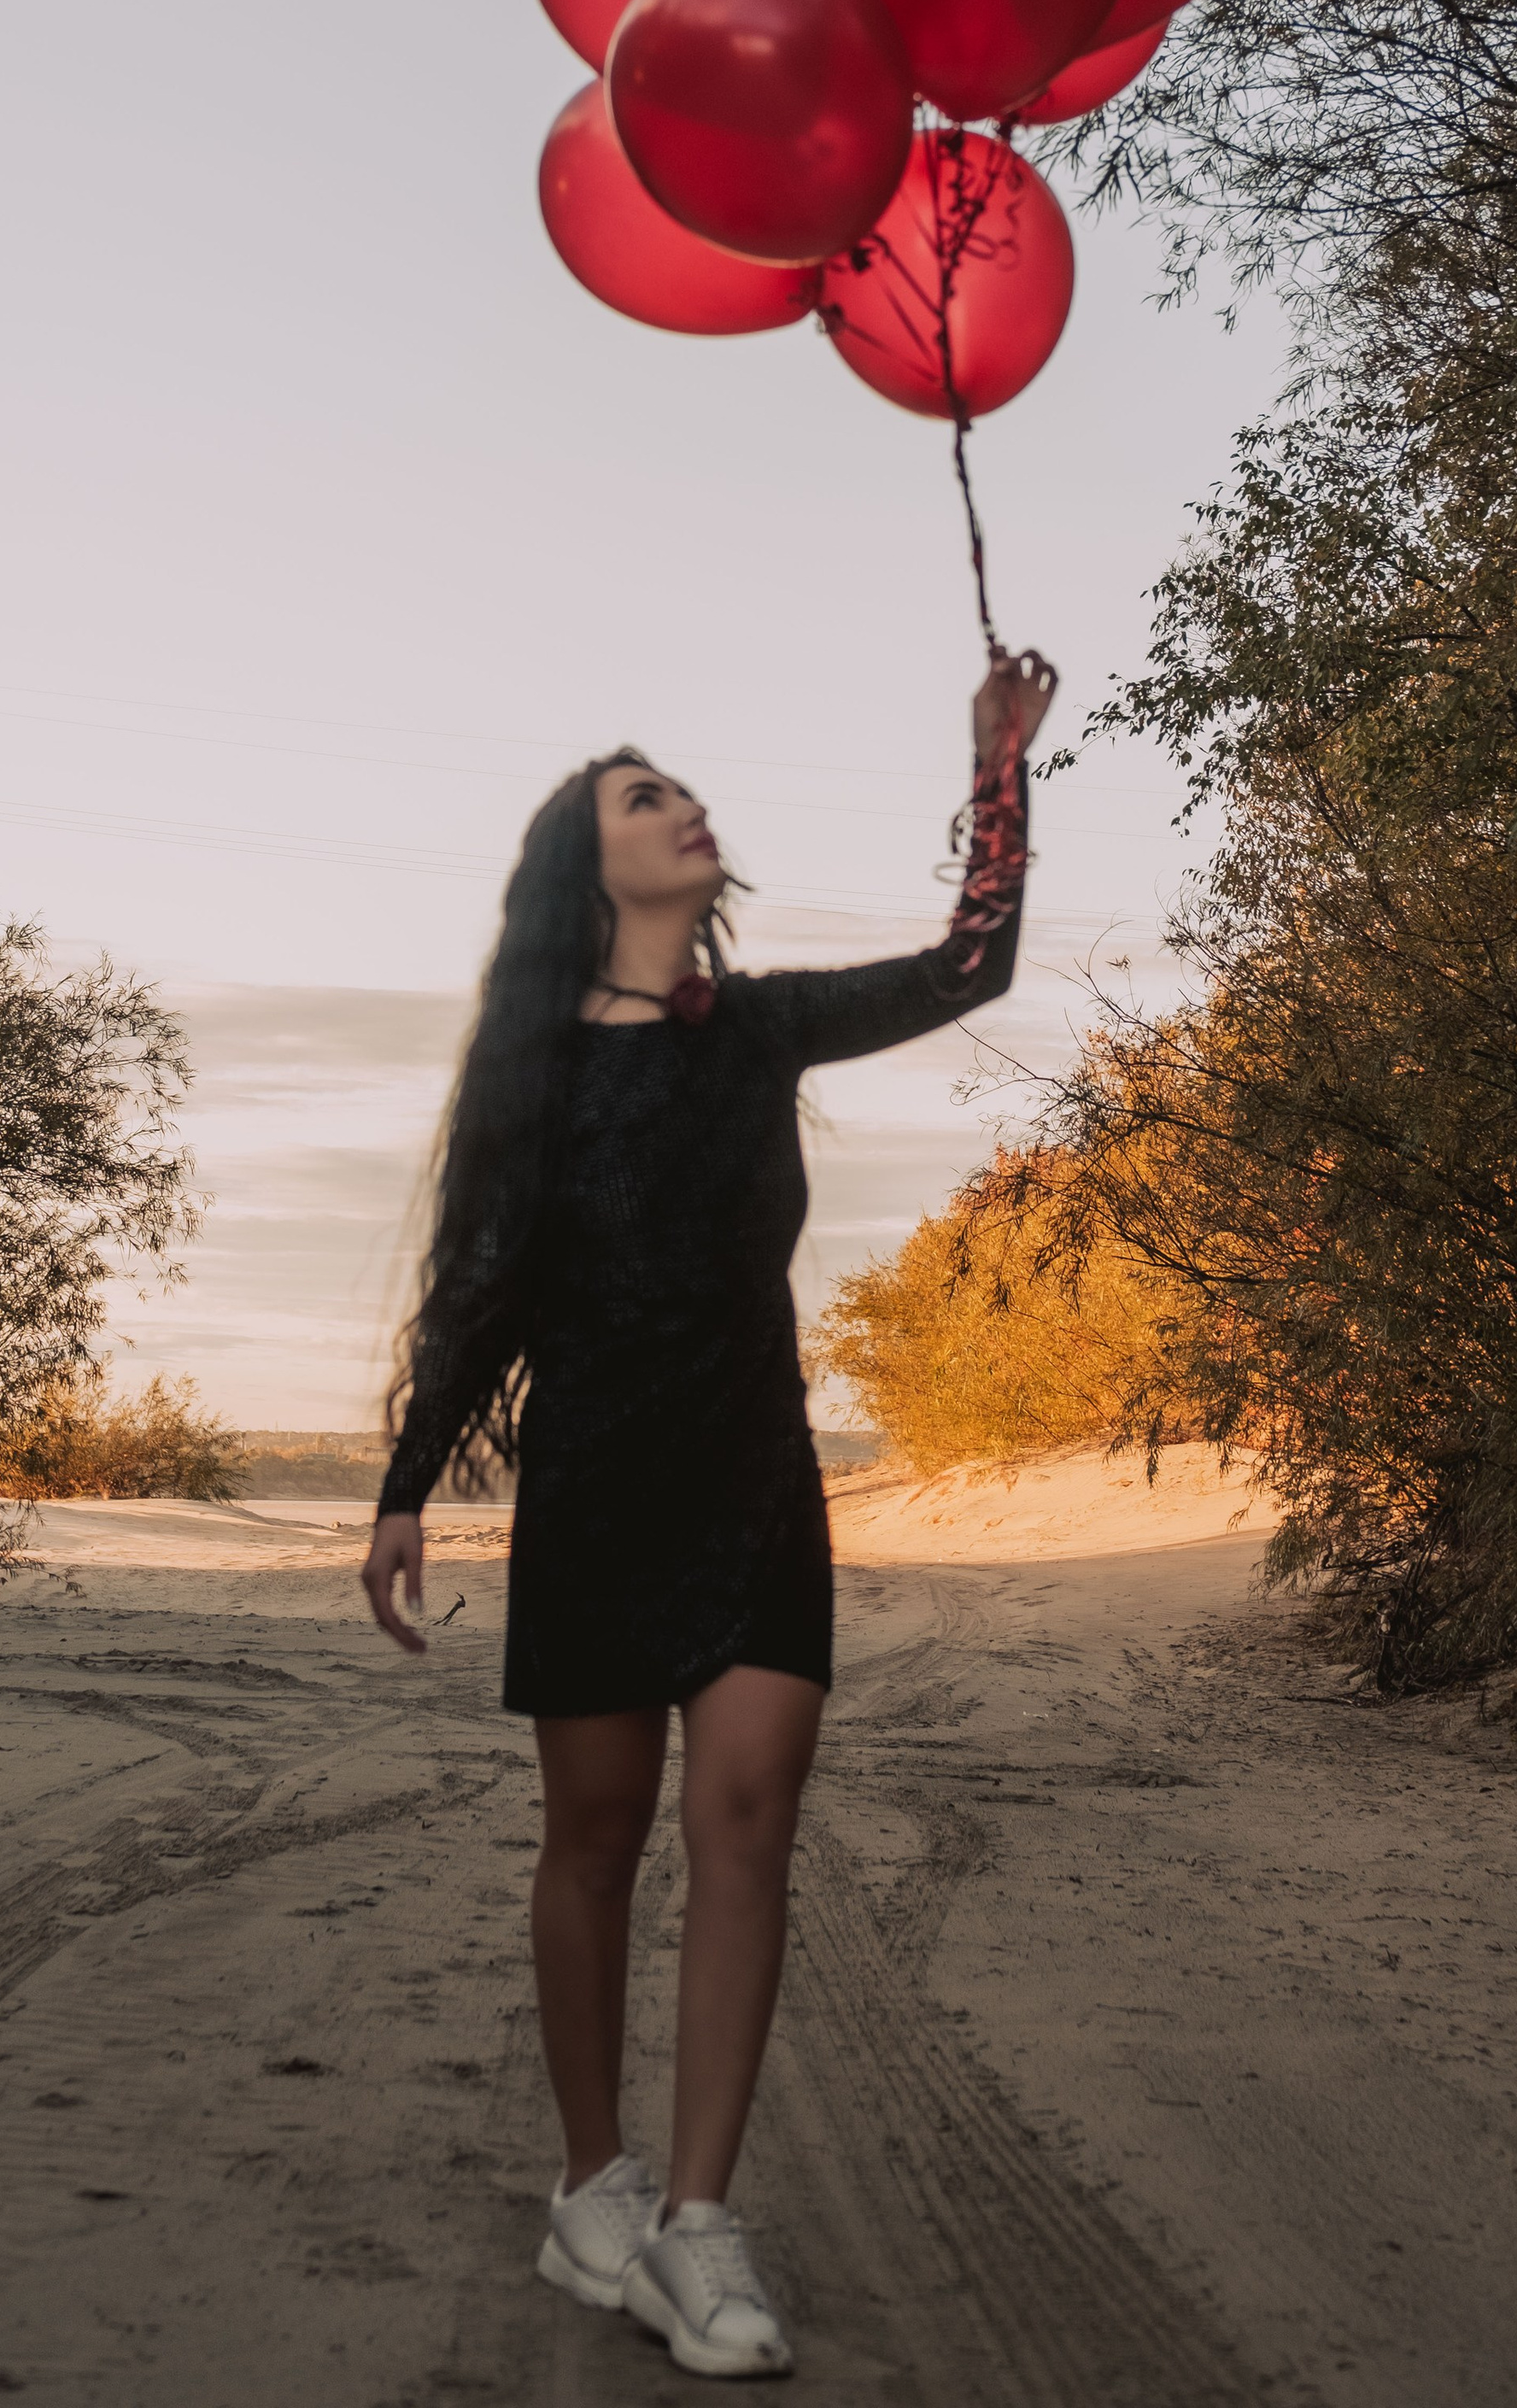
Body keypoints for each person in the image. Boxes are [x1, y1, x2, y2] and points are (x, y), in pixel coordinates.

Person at [363, 646, 1056, 2380]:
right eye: (640, 796)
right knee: (592, 1842)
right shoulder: (534, 1079)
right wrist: (401, 1490)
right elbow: (480, 1291)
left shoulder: (756, 1028)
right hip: (595, 1483)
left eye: (676, 790)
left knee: (746, 1815)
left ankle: (695, 2221)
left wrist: (995, 768)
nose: (681, 808)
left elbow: (972, 961)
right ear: (580, 869)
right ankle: (587, 2183)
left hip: (752, 1475)